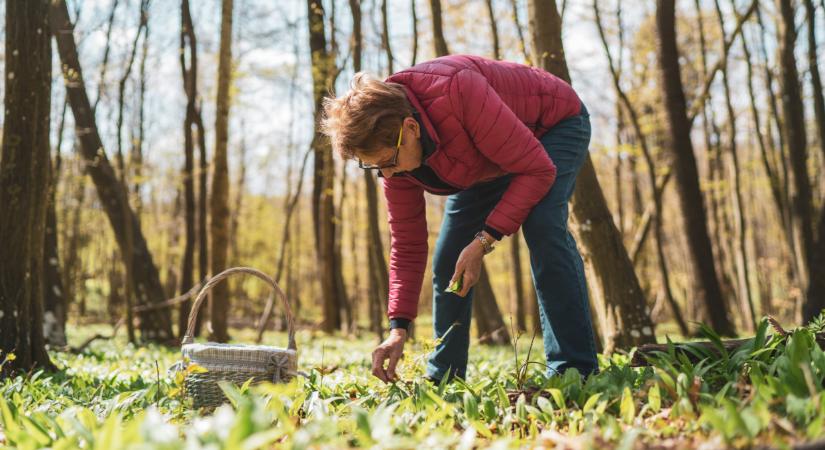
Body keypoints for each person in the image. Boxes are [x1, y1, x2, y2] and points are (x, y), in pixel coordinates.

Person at [320, 54, 598, 384]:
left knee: (543, 226)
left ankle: (574, 371)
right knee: (449, 258)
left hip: (553, 125)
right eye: (376, 167)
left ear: (410, 128)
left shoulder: (457, 91)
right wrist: (398, 328)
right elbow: (407, 245)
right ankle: (445, 376)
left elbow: (538, 170)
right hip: (487, 156)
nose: (388, 174)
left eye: (388, 162)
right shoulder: (395, 158)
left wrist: (484, 240)